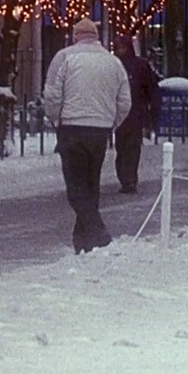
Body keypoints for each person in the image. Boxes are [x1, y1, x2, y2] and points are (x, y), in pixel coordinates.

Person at [42, 17, 131, 254]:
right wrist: (111, 123)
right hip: (100, 131)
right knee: (91, 184)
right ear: (96, 36)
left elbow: (51, 94)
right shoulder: (114, 63)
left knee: (76, 187)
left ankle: (99, 235)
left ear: (75, 36)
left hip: (72, 127)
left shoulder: (64, 57)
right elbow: (125, 101)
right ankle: (83, 240)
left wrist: (56, 119)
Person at [112, 34, 161, 194]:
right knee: (122, 147)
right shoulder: (117, 65)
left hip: (135, 112)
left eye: (122, 47)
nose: (120, 50)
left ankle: (129, 178)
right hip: (122, 113)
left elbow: (151, 89)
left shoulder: (138, 66)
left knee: (131, 146)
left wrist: (151, 110)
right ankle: (126, 177)